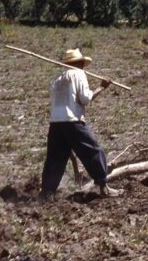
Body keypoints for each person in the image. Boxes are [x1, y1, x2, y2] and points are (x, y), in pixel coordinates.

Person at [40, 48, 122, 198]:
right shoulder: (79, 74)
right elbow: (86, 99)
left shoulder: (57, 78)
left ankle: (46, 192)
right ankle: (104, 187)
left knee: (55, 158)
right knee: (94, 151)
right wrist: (102, 86)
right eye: (82, 63)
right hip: (73, 122)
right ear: (80, 63)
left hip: (56, 123)